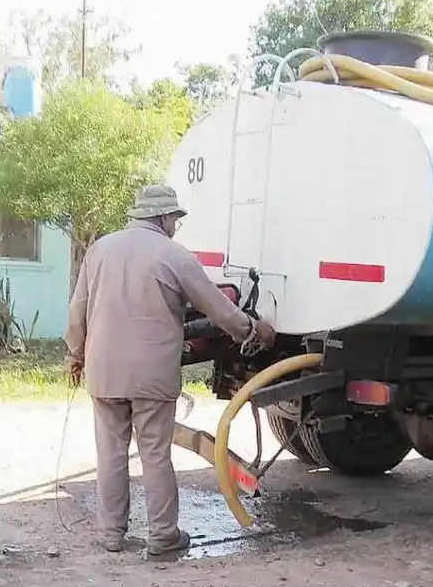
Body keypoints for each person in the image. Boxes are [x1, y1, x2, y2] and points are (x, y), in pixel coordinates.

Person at [66, 184, 276, 559]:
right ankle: (163, 536)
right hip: (152, 374)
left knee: (111, 453)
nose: (176, 225)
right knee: (154, 453)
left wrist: (75, 354)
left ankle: (112, 535)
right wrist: (251, 329)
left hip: (104, 371)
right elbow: (218, 309)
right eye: (175, 219)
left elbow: (78, 310)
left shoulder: (99, 250)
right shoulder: (174, 256)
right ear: (163, 217)